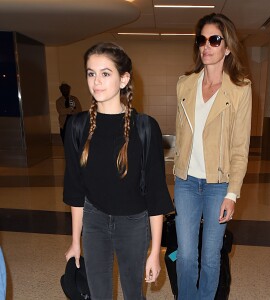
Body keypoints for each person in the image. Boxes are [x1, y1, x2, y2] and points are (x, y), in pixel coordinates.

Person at [63, 42, 173, 300]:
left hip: (133, 222)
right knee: (99, 294)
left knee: (134, 293)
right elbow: (76, 190)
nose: (96, 81)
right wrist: (75, 241)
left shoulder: (145, 127)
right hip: (94, 220)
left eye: (105, 73)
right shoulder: (77, 127)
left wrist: (155, 251)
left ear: (124, 79)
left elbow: (156, 193)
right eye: (91, 73)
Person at [174, 13, 252, 299]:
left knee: (209, 257)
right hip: (186, 183)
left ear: (227, 47)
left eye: (214, 40)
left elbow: (240, 148)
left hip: (218, 185)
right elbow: (181, 135)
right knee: (185, 257)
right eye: (201, 40)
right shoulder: (185, 84)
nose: (206, 46)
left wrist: (232, 194)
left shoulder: (240, 90)